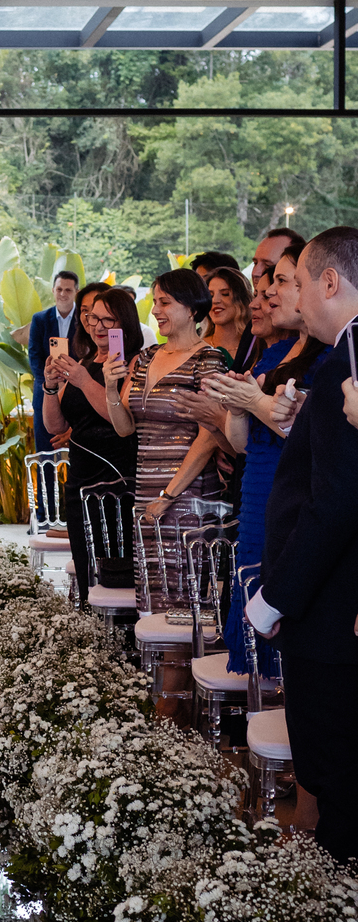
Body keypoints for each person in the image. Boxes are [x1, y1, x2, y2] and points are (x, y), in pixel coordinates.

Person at [245, 228, 358, 865]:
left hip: (332, 607)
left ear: (330, 282)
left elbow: (336, 501)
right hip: (333, 598)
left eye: (300, 282)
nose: (293, 300)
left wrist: (276, 596)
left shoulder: (347, 361)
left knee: (337, 778)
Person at [199, 251, 326, 682]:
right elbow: (242, 443)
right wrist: (237, 405)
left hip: (290, 488)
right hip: (255, 490)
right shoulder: (277, 354)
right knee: (252, 583)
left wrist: (253, 401)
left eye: (284, 282)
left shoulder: (329, 356)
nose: (269, 294)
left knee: (280, 597)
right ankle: (258, 703)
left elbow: (306, 432)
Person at [103, 268, 228, 611]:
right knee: (151, 600)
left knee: (184, 604)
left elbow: (209, 436)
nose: (156, 310)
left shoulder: (209, 359)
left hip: (188, 496)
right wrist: (111, 388)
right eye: (156, 302)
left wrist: (169, 495)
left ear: (191, 309)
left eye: (165, 302)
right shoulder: (146, 357)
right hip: (146, 492)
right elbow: (125, 428)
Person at [41, 286, 143, 605]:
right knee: (85, 569)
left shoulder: (132, 363)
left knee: (113, 571)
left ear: (124, 323)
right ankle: (87, 628)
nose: (98, 326)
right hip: (80, 480)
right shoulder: (84, 361)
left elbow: (121, 420)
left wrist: (85, 381)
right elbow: (56, 427)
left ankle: (117, 633)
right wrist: (49, 386)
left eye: (108, 320)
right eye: (92, 318)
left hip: (116, 480)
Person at [27, 270, 79, 445]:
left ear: (76, 292)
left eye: (68, 290)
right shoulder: (40, 319)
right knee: (45, 448)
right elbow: (34, 357)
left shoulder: (84, 320)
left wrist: (68, 381)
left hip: (75, 392)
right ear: (53, 290)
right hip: (45, 392)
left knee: (75, 448)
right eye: (59, 289)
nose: (63, 294)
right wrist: (52, 382)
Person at [205, 266, 255, 369]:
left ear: (242, 300)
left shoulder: (254, 346)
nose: (215, 300)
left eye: (225, 294)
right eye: (211, 295)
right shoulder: (198, 347)